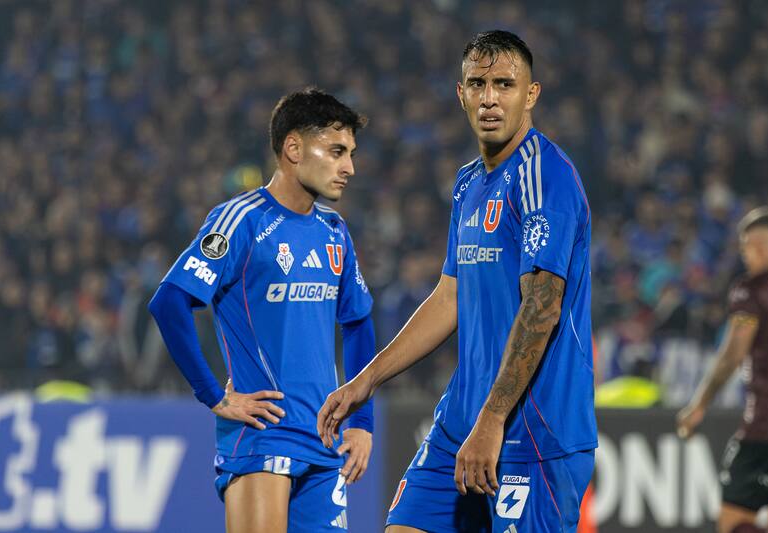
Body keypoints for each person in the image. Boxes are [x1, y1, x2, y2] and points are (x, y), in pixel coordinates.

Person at [318, 30, 597, 532]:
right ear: (461, 93)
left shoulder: (545, 176)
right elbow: (450, 297)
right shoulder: (469, 181)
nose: (490, 98)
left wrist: (492, 421)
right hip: (460, 420)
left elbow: (542, 308)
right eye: (478, 83)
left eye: (505, 84)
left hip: (534, 430)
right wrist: (366, 381)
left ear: (531, 95)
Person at [149, 88, 375, 533]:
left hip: (326, 444)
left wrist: (362, 420)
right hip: (264, 435)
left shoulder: (334, 229)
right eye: (336, 151)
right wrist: (214, 396)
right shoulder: (241, 221)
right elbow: (169, 302)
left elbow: (358, 323)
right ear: (293, 148)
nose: (349, 167)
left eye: (349, 153)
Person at [677, 207, 768, 533]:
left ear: (759, 246)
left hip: (765, 430)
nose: (744, 257)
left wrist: (699, 406)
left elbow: (733, 353)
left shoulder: (751, 289)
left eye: (744, 249)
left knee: (734, 522)